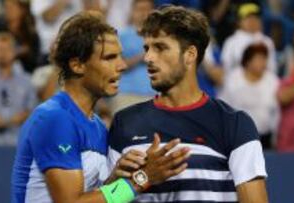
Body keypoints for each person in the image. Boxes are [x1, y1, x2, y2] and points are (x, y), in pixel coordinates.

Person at [11, 11, 190, 203]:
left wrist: (118, 179)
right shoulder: (55, 118)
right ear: (77, 65)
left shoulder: (97, 126)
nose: (121, 65)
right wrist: (142, 179)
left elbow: (95, 197)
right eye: (109, 57)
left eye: (120, 56)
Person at [108, 5, 268, 203]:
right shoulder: (125, 122)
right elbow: (108, 199)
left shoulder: (234, 123)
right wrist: (138, 179)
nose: (148, 57)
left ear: (190, 54)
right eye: (147, 48)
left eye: (160, 47)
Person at [0, 32, 37, 146]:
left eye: (6, 49)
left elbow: (34, 111)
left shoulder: (27, 81)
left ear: (14, 52)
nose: (2, 53)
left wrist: (22, 116)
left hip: (19, 142)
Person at [220, 43, 279, 149]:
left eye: (264, 59)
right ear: (248, 61)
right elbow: (223, 107)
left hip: (265, 137)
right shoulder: (233, 78)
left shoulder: (272, 80)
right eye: (259, 59)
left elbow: (276, 112)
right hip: (237, 137)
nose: (263, 63)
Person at [221, 3, 277, 76]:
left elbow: (272, 69)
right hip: (237, 83)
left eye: (255, 17)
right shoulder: (231, 41)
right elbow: (226, 69)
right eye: (248, 17)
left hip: (262, 83)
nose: (252, 20)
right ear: (239, 22)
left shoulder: (268, 41)